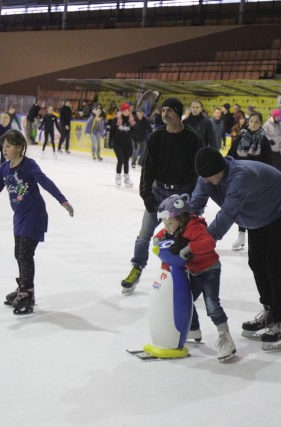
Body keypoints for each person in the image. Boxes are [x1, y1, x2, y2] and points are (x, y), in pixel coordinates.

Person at [190, 147, 281, 351]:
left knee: (274, 265)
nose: (205, 181)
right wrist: (182, 230)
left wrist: (201, 243)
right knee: (256, 262)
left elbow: (227, 215)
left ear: (220, 169)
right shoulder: (205, 178)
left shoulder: (239, 177)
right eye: (202, 177)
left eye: (209, 176)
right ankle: (269, 310)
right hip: (257, 215)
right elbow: (195, 205)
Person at [0, 130, 74, 315]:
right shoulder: (4, 168)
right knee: (18, 254)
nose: (4, 149)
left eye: (8, 146)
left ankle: (27, 293)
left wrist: (63, 200)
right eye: (3, 146)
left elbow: (45, 182)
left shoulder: (28, 165)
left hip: (35, 215)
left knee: (25, 253)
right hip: (19, 216)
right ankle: (23, 288)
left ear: (19, 148)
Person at [120, 97, 203, 295]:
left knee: (182, 239)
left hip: (180, 195)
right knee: (144, 236)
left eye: (169, 111)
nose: (164, 114)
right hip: (158, 193)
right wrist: (146, 195)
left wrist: (189, 198)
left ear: (178, 112)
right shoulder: (156, 136)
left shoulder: (192, 138)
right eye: (163, 110)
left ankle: (186, 275)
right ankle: (136, 268)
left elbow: (196, 172)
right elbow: (147, 168)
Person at [153, 193, 236, 361]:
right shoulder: (174, 227)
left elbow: (209, 243)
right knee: (188, 300)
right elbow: (163, 232)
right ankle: (194, 329)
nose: (167, 227)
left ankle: (225, 338)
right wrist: (157, 238)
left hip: (209, 269)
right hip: (194, 270)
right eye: (164, 223)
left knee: (212, 305)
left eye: (170, 223)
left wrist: (190, 248)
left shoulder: (194, 227)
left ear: (182, 218)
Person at [227, 111, 275, 251]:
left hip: (257, 181)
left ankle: (256, 238)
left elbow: (269, 163)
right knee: (240, 208)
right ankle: (241, 235)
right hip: (240, 179)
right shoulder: (240, 138)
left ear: (261, 124)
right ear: (248, 122)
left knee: (255, 209)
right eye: (252, 121)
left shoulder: (264, 141)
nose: (254, 124)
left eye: (257, 122)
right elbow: (231, 155)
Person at [108, 103, 135, 187]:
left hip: (127, 144)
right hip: (117, 143)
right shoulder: (116, 119)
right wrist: (110, 141)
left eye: (128, 110)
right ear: (122, 111)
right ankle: (118, 177)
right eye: (125, 110)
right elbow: (112, 131)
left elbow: (133, 133)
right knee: (121, 160)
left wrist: (134, 126)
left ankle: (126, 178)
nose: (127, 112)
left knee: (126, 161)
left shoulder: (131, 120)